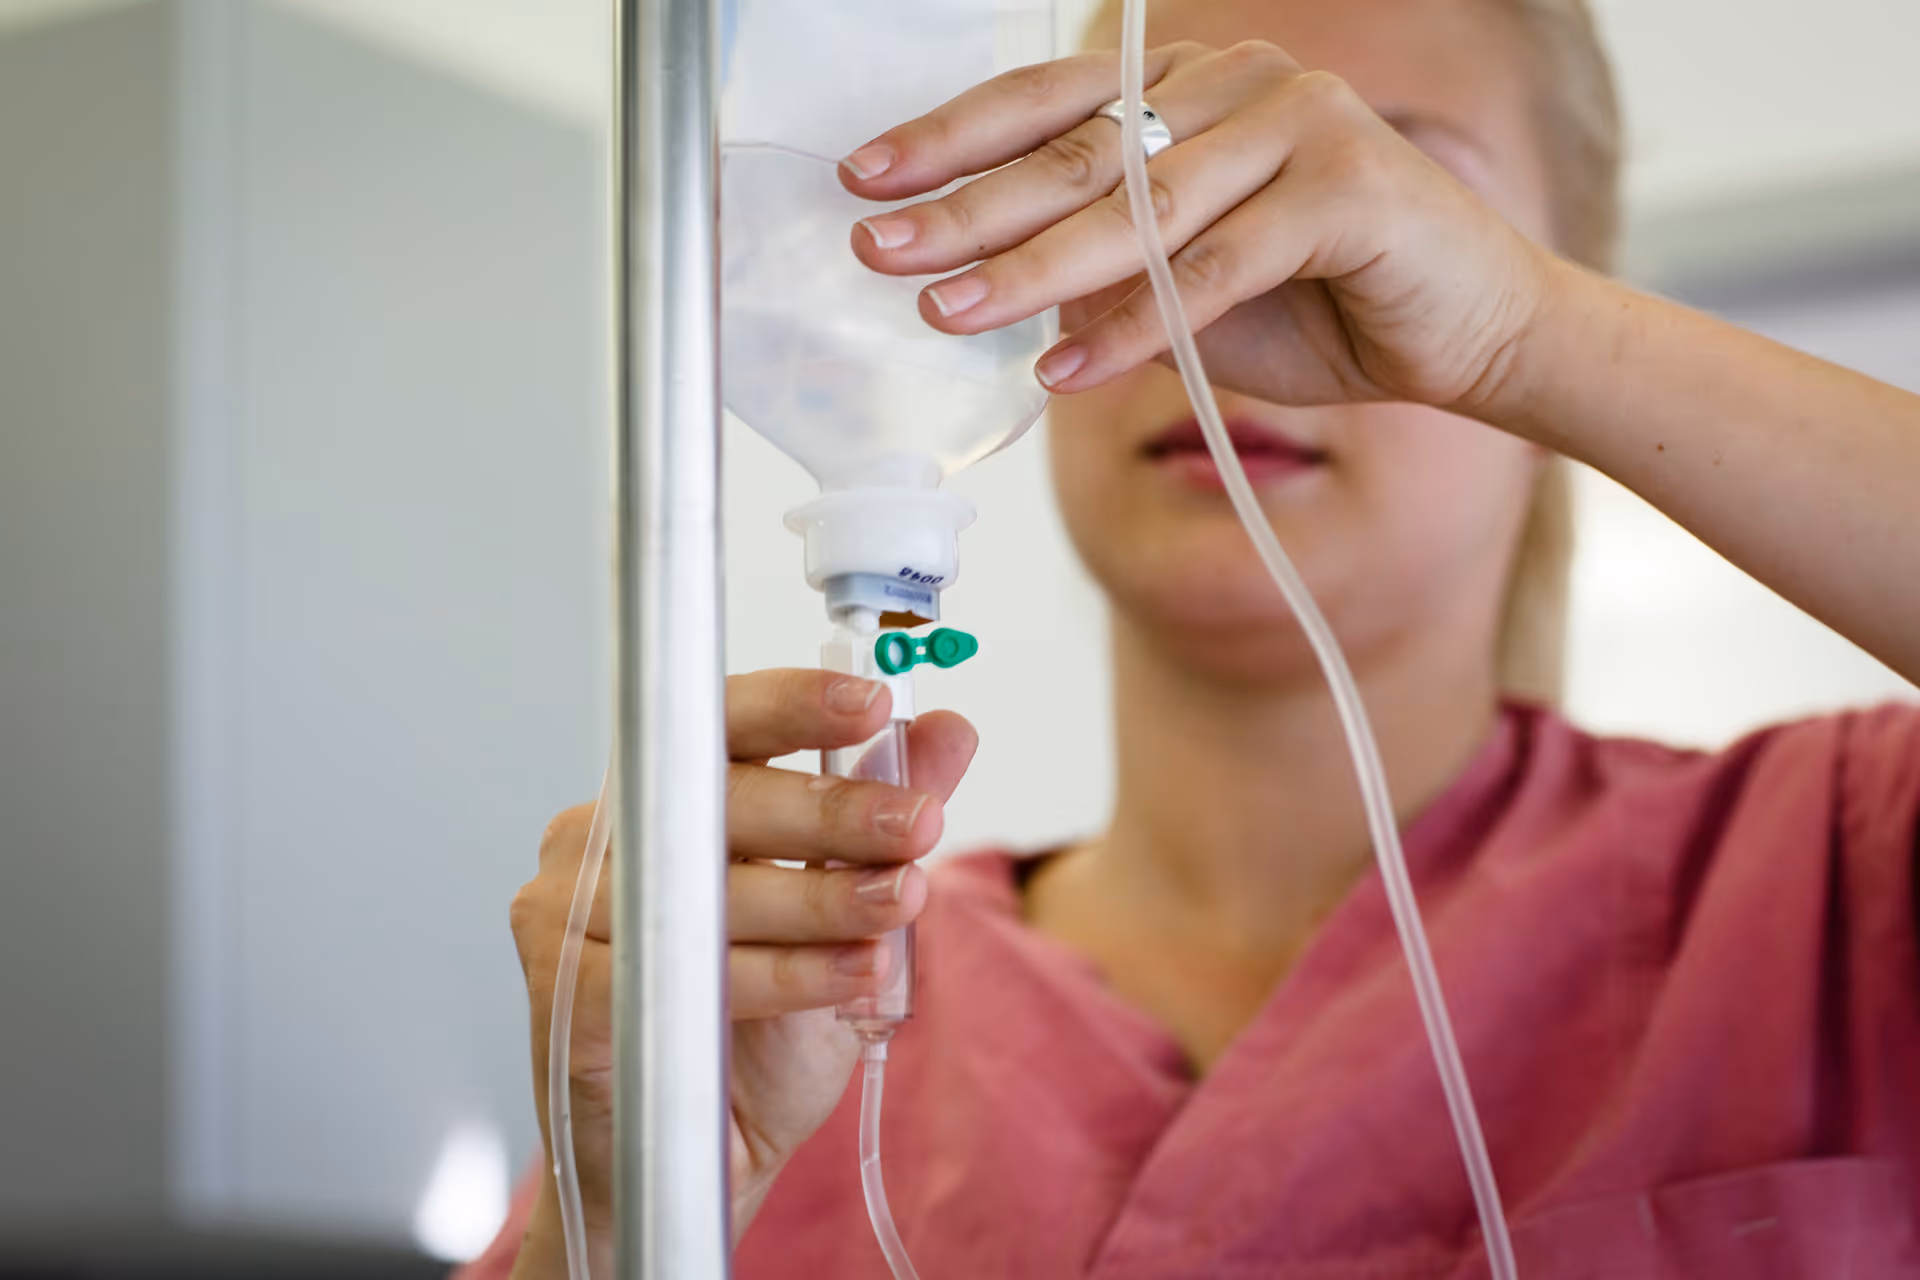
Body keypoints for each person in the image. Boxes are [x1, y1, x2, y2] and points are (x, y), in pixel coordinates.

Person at [468, 0, 1920, 1273]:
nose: (1222, 289)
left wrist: (1524, 346)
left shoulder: (1828, 879)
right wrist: (613, 1225)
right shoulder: (787, 998)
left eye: (1381, 202)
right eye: (1133, 194)